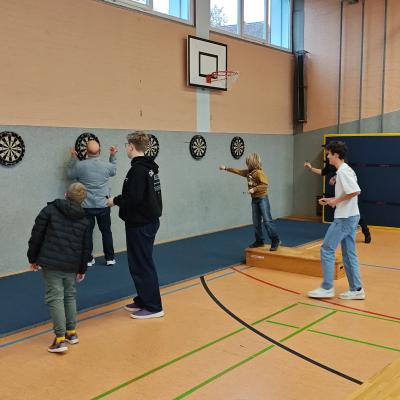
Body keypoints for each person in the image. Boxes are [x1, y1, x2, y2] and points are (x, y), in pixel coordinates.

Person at [107, 132, 164, 319]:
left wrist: (115, 200)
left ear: (131, 146)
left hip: (141, 224)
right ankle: (144, 299)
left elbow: (134, 198)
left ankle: (154, 307)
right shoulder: (146, 167)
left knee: (142, 264)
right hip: (144, 221)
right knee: (138, 263)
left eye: (127, 145)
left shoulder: (139, 170)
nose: (126, 148)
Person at [27, 183, 90, 353]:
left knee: (55, 297)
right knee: (69, 296)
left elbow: (36, 235)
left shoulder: (49, 211)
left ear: (66, 194)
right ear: (82, 201)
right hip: (71, 265)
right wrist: (82, 268)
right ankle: (71, 333)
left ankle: (60, 339)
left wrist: (32, 258)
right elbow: (86, 247)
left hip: (51, 263)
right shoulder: (85, 219)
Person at [308, 141, 366, 300]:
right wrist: (331, 200)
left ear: (336, 155)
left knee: (326, 249)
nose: (327, 157)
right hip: (351, 216)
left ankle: (327, 288)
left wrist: (335, 201)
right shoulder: (346, 170)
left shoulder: (343, 172)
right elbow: (348, 193)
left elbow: (355, 191)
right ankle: (356, 289)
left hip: (345, 218)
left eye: (329, 154)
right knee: (349, 254)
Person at [68, 140, 118, 266]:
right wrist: (112, 155)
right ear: (99, 151)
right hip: (104, 205)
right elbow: (113, 170)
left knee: (87, 233)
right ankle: (110, 258)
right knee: (106, 231)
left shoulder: (79, 166)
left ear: (86, 151)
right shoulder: (106, 166)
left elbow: (69, 174)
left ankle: (88, 259)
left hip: (86, 206)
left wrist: (73, 158)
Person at [219, 153, 281, 251]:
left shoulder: (259, 173)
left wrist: (254, 189)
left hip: (262, 199)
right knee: (256, 222)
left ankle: (275, 240)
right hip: (254, 200)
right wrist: (226, 168)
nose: (246, 164)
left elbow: (265, 185)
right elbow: (238, 171)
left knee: (267, 221)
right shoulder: (249, 172)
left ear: (252, 163)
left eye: (248, 163)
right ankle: (259, 241)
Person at [304, 158, 371, 243]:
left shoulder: (342, 163)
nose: (328, 155)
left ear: (335, 155)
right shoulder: (329, 161)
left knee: (356, 213)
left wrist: (335, 177)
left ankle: (366, 232)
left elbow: (346, 172)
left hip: (347, 188)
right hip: (339, 189)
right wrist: (310, 168)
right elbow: (323, 172)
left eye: (330, 153)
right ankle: (343, 234)